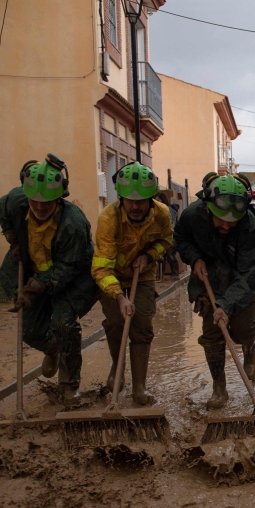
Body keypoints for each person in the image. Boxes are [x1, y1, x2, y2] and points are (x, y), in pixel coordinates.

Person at [0, 154, 99, 401]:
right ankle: (54, 350)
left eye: (47, 202)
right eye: (35, 201)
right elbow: (2, 206)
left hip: (74, 276)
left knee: (63, 324)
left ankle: (69, 386)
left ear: (60, 197)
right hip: (34, 266)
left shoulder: (74, 223)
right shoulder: (16, 201)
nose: (40, 207)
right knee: (28, 328)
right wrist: (12, 237)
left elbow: (67, 267)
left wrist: (36, 287)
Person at [174, 172, 255, 409]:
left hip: (240, 280)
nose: (226, 225)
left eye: (232, 221)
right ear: (208, 207)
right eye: (221, 219)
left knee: (242, 328)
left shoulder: (250, 228)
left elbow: (248, 276)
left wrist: (226, 305)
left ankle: (248, 346)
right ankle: (219, 387)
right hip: (208, 278)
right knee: (212, 335)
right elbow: (180, 238)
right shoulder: (192, 215)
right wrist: (194, 259)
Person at [91, 162, 174, 405]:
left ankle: (139, 387)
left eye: (142, 200)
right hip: (112, 275)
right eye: (130, 200)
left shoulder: (162, 214)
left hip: (143, 273)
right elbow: (101, 267)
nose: (136, 206)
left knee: (141, 325)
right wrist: (119, 296)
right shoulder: (108, 218)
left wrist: (148, 256)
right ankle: (118, 370)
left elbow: (166, 240)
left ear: (151, 198)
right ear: (121, 198)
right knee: (116, 322)